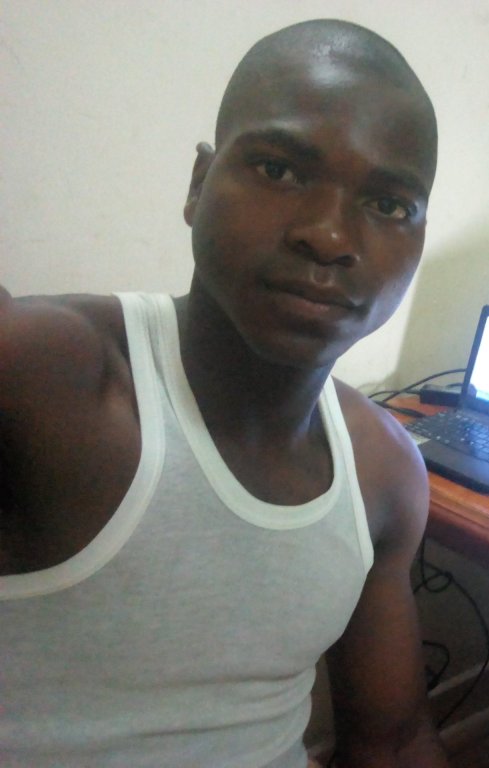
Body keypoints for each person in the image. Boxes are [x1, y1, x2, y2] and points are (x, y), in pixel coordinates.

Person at [0, 19, 448, 768]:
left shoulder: (383, 472)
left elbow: (394, 743)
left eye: (390, 205)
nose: (329, 237)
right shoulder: (50, 378)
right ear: (198, 185)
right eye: (279, 169)